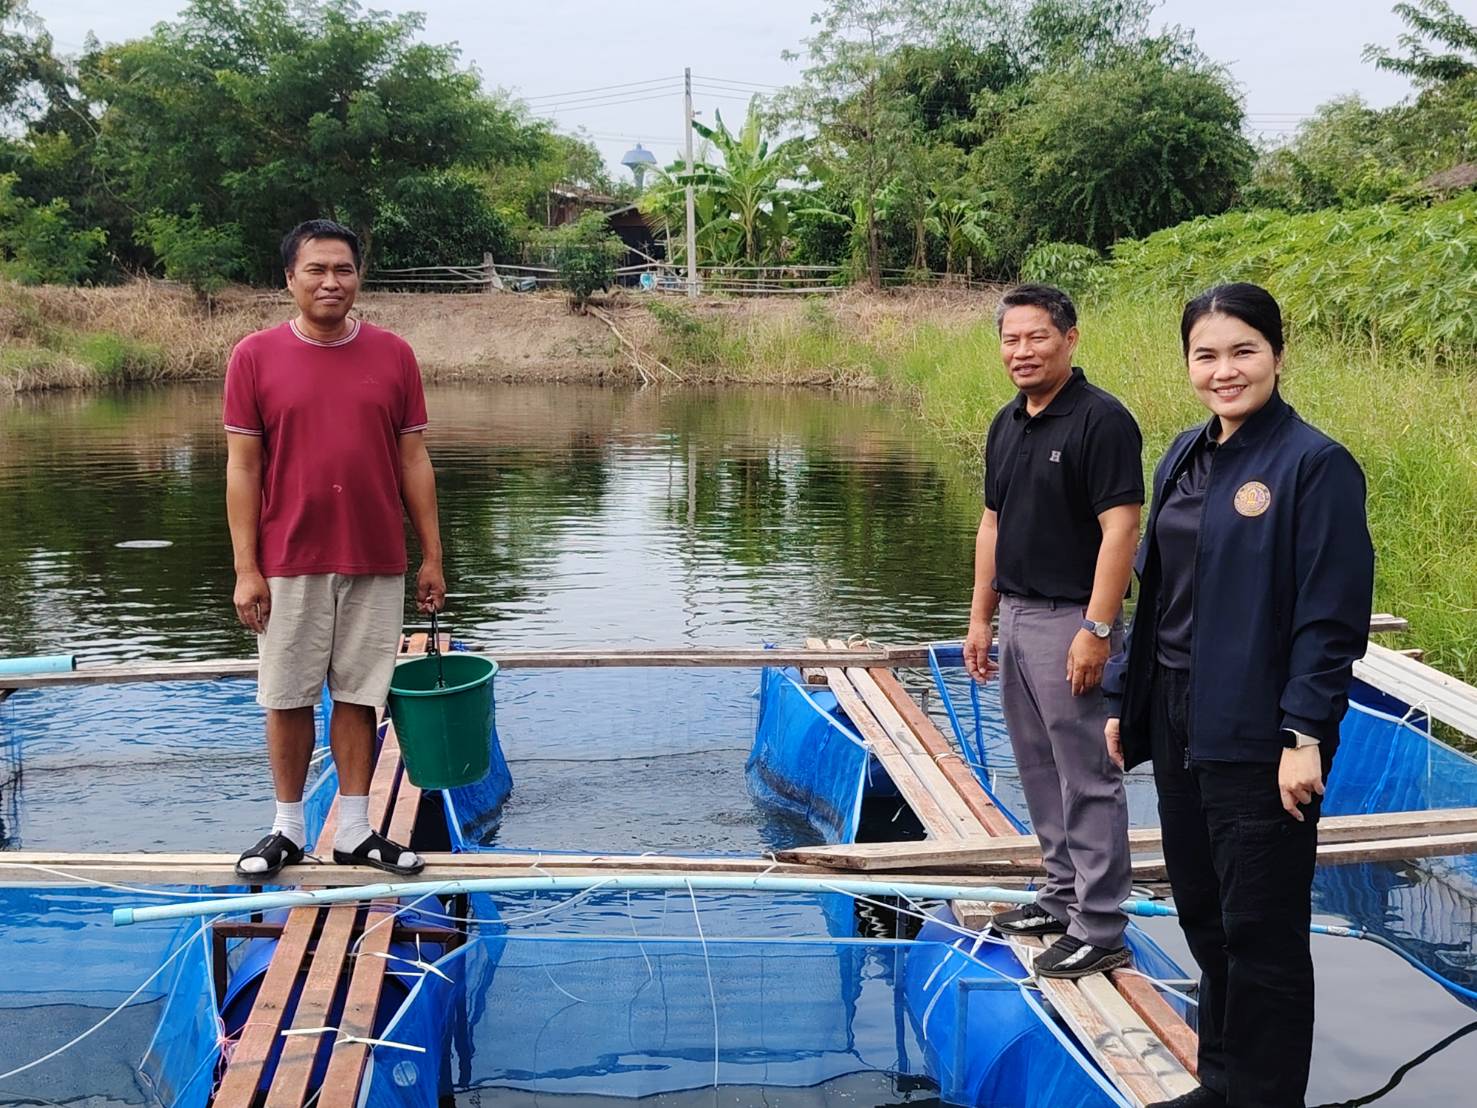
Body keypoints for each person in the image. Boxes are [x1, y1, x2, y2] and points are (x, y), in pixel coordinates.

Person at [1102, 283, 1375, 1108]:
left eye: (1242, 351)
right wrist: (1123, 698)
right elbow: (1155, 592)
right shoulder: (1183, 454)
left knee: (1261, 929)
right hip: (1177, 711)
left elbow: (1330, 616)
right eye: (1206, 355)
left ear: (1277, 355)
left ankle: (1263, 1097)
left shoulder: (1312, 464)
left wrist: (1303, 734)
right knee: (1205, 912)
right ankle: (1220, 1082)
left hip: (1260, 727)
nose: (1224, 371)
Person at [225, 219, 446, 880]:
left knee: (359, 695)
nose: (331, 281)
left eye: (343, 269)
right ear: (289, 278)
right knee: (287, 695)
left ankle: (355, 830)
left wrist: (431, 555)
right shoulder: (255, 356)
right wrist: (246, 568)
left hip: (375, 556)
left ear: (358, 277)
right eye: (316, 269)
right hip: (287, 558)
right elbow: (243, 468)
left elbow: (413, 459)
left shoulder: (394, 355)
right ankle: (287, 829)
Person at [963, 284, 1144, 979]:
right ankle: (1060, 894)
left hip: (1072, 618)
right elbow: (992, 525)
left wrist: (1096, 627)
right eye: (1010, 339)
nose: (1022, 351)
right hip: (1015, 615)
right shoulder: (1007, 422)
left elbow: (1121, 527)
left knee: (1088, 774)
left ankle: (1100, 925)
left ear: (1069, 339)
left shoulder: (1101, 420)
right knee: (1037, 765)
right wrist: (980, 618)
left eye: (1036, 336)